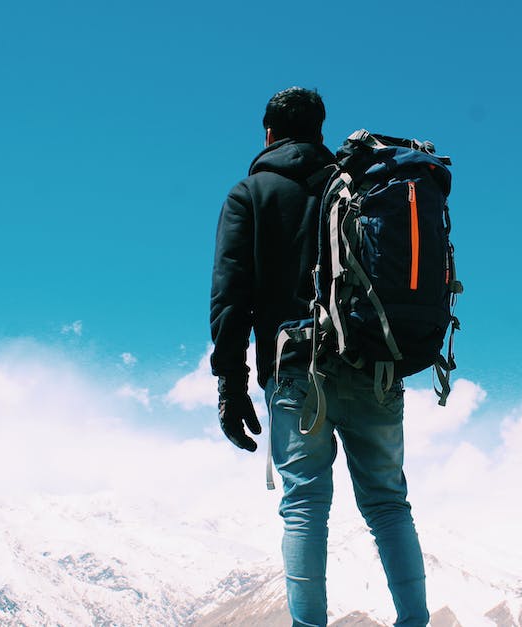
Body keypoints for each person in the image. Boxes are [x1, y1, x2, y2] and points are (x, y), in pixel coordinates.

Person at [210, 87, 430, 627]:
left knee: (306, 507)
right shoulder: (358, 185)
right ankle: (415, 620)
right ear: (320, 130)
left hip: (295, 370)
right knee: (387, 503)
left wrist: (231, 387)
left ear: (267, 132)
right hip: (374, 364)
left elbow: (231, 299)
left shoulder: (251, 193)